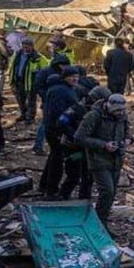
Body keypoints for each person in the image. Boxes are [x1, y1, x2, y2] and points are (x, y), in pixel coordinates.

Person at [76, 93, 133, 228]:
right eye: (117, 111)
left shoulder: (122, 116)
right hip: (98, 159)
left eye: (122, 110)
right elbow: (79, 137)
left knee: (112, 193)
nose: (120, 113)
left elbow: (127, 130)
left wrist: (128, 140)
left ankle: (102, 222)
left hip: (117, 158)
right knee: (106, 191)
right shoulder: (94, 116)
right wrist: (103, 145)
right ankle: (98, 224)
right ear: (108, 106)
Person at [57, 86, 109, 201]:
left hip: (87, 148)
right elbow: (61, 122)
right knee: (74, 175)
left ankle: (84, 200)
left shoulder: (99, 113)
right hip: (72, 148)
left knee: (89, 176)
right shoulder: (76, 109)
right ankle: (62, 197)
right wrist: (75, 135)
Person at [41, 66, 81, 198]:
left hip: (54, 128)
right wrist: (68, 133)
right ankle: (51, 190)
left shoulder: (64, 89)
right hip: (57, 130)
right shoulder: (61, 91)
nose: (75, 78)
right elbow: (58, 114)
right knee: (57, 161)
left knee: (54, 156)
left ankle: (44, 185)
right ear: (65, 77)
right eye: (72, 76)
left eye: (77, 76)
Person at [32, 54, 71, 156]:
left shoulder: (65, 72)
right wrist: (47, 96)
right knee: (45, 124)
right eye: (62, 64)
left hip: (61, 102)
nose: (64, 66)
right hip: (49, 102)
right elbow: (38, 86)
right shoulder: (45, 72)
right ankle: (38, 146)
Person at [9, 38, 49, 123]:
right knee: (20, 99)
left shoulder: (37, 57)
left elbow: (45, 69)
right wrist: (12, 81)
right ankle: (23, 114)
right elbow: (13, 67)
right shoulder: (18, 55)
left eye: (27, 47)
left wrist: (39, 80)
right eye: (24, 47)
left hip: (31, 83)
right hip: (18, 81)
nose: (25, 49)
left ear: (32, 47)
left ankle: (30, 117)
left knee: (31, 101)